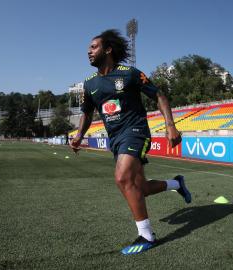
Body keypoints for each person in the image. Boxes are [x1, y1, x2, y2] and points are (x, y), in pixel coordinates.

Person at [70, 29, 191, 255]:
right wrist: (78, 135)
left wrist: (170, 125)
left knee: (122, 178)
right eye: (88, 48)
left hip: (135, 131)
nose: (88, 51)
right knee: (140, 188)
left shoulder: (130, 74)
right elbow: (87, 113)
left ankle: (147, 236)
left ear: (108, 50)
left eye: (93, 47)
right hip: (115, 138)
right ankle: (177, 184)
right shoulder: (89, 84)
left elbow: (159, 95)